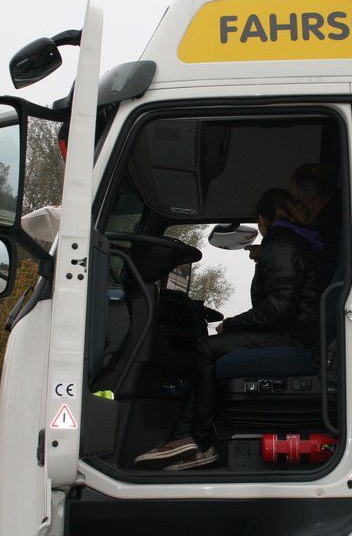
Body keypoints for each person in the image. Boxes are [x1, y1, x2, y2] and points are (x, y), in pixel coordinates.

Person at [136, 188, 324, 470]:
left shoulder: (283, 245)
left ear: (262, 220)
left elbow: (279, 309)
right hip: (297, 334)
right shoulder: (290, 243)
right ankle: (198, 438)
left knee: (207, 348)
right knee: (214, 346)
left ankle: (195, 439)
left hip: (294, 338)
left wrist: (233, 323)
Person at [289, 163, 342, 273]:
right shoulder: (345, 210)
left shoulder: (326, 232)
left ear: (309, 201)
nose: (294, 209)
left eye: (295, 202)